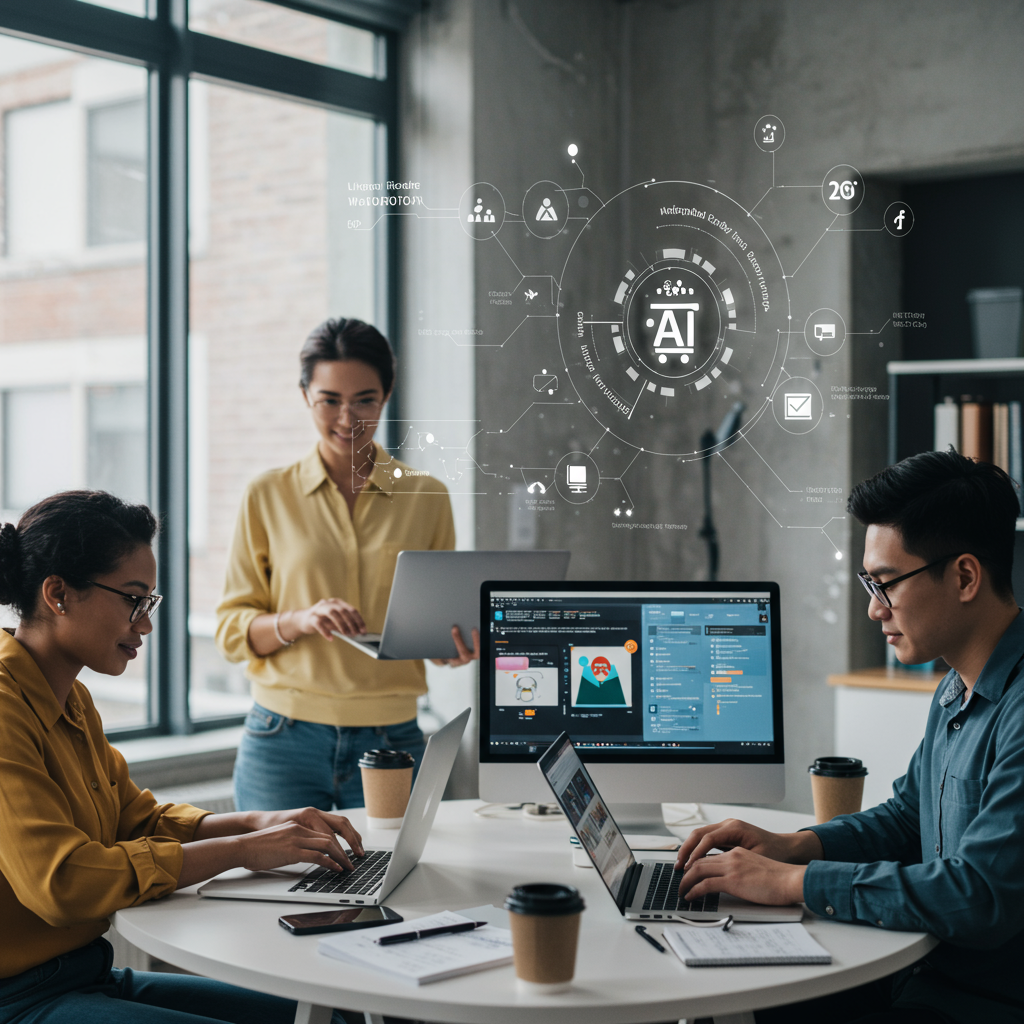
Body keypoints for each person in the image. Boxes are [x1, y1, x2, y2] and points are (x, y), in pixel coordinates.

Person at [674, 450, 1024, 1024]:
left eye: (886, 584)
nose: (872, 609)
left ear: (964, 576)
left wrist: (795, 882)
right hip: (922, 973)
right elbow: (910, 818)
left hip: (977, 1004)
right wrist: (797, 845)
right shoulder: (957, 687)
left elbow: (979, 894)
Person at [0, 490, 365, 1023]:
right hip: (19, 1000)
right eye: (132, 599)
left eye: (150, 603)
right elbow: (63, 883)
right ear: (58, 594)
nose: (145, 625)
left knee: (334, 1015)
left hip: (86, 976)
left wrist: (264, 823)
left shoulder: (71, 699)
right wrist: (244, 849)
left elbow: (138, 821)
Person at [217, 318, 478, 814]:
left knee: (390, 888)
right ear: (305, 396)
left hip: (394, 740)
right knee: (275, 888)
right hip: (281, 740)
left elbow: (435, 633)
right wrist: (300, 620)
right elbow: (232, 632)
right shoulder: (267, 494)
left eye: (365, 400)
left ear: (386, 395)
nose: (348, 418)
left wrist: (456, 646)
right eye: (329, 400)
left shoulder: (427, 497)